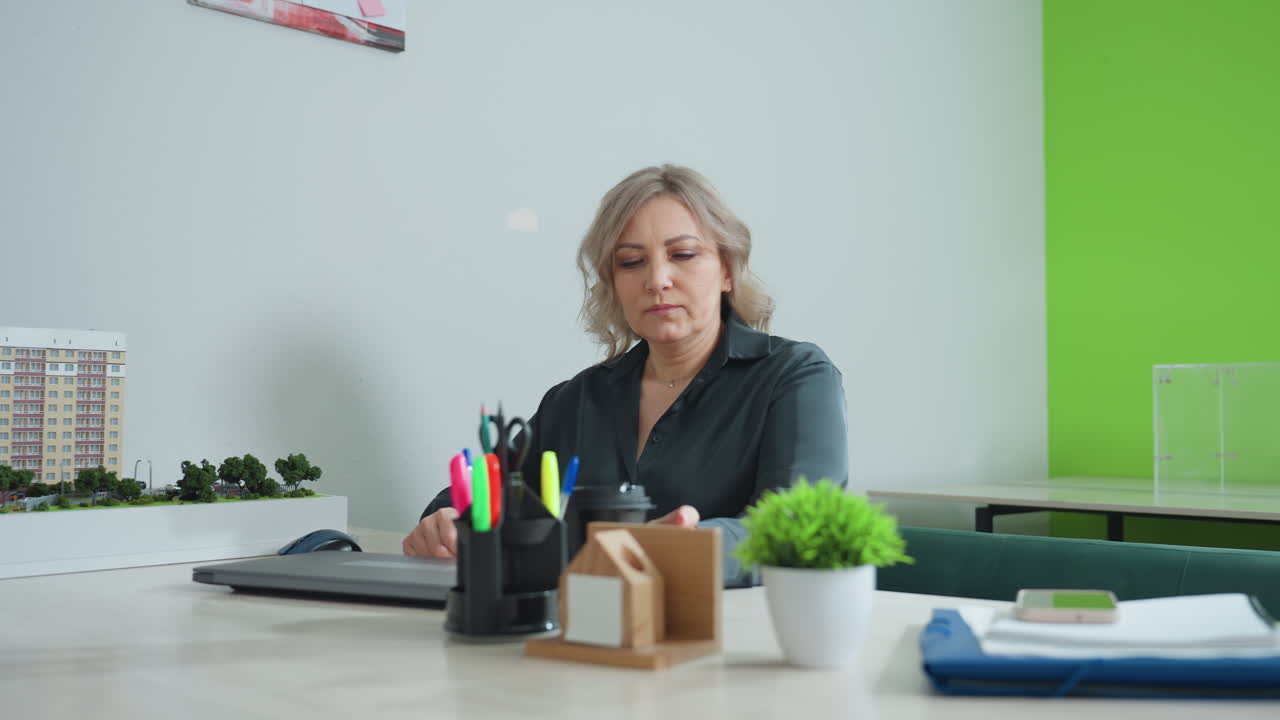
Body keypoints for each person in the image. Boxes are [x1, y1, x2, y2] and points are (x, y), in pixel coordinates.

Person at [403, 164, 848, 586]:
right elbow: (476, 495)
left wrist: (676, 549)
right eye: (631, 262)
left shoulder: (795, 376)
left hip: (738, 643)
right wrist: (443, 524)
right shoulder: (576, 399)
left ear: (728, 270)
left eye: (684, 254)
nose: (657, 279)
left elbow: (798, 527)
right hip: (579, 638)